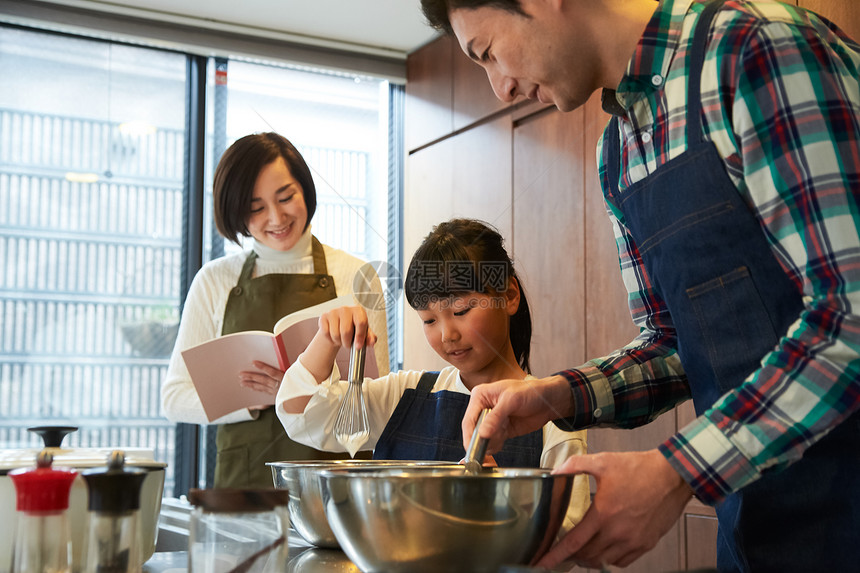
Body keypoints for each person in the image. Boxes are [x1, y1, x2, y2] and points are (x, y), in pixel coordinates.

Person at [421, 0, 860, 571]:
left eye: (487, 53)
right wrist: (557, 394)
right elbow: (679, 343)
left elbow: (850, 315)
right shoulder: (618, 152)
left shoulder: (754, 50)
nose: (498, 87)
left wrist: (676, 469)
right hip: (757, 524)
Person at [276, 218, 591, 533]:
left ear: (508, 296)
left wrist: (501, 503)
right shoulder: (406, 394)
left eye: (461, 312)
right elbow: (302, 419)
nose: (446, 335)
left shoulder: (552, 411)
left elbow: (568, 534)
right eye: (429, 320)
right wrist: (326, 340)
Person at [162, 132, 389, 488]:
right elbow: (174, 398)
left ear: (305, 191)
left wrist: (300, 390)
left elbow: (377, 402)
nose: (276, 217)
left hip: (335, 490)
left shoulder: (356, 275)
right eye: (256, 208)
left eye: (286, 197)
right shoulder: (214, 281)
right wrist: (256, 398)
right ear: (236, 211)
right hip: (244, 489)